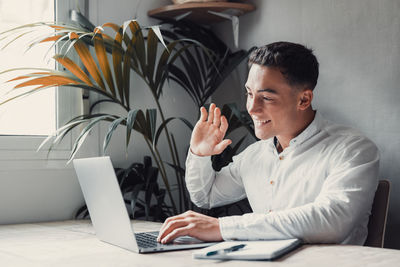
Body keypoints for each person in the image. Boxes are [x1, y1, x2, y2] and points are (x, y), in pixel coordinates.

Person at [157, 41, 379, 245]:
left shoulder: (353, 149)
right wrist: (200, 154)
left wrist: (222, 227)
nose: (251, 108)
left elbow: (333, 221)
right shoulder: (255, 155)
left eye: (267, 97)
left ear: (304, 99)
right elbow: (206, 196)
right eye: (249, 93)